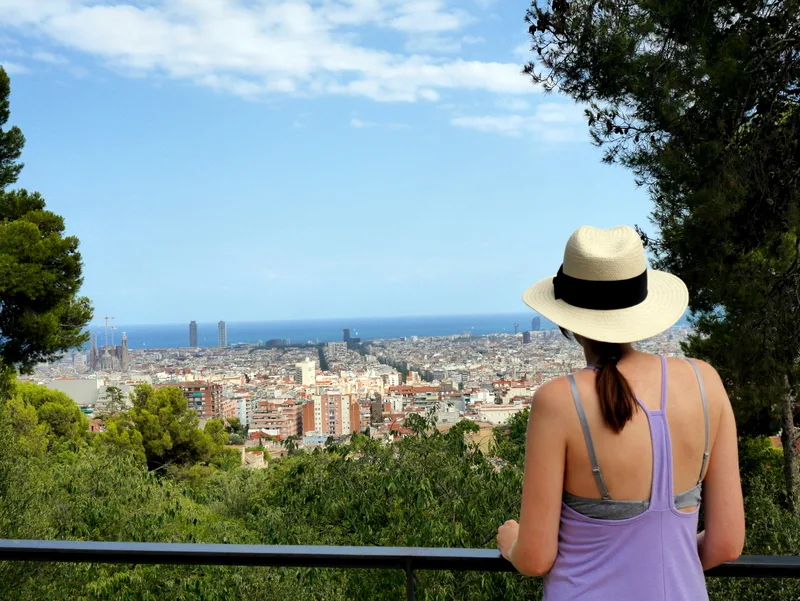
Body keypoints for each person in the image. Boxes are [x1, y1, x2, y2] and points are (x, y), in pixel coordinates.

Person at [496, 225, 745, 600]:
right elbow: (726, 544)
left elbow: (535, 558)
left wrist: (511, 540)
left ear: (567, 320)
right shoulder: (704, 381)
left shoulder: (559, 401)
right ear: (640, 308)